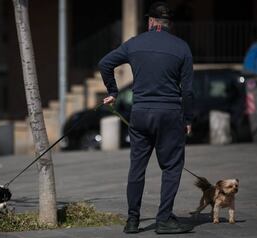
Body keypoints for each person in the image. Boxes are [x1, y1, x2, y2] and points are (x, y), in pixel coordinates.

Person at [98, 1, 194, 234]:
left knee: (137, 168)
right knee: (171, 166)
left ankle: (132, 221)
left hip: (140, 113)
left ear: (150, 22)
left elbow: (105, 63)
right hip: (169, 114)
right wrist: (187, 119)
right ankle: (163, 220)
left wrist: (113, 92)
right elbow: (188, 90)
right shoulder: (182, 48)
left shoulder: (134, 44)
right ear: (168, 24)